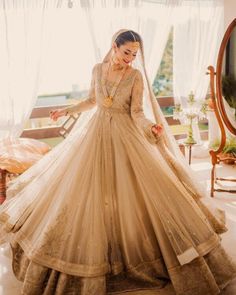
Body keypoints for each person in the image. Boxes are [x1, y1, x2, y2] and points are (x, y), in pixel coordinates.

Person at [0, 29, 236, 295]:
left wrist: (151, 128)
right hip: (95, 133)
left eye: (135, 54)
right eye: (126, 52)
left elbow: (136, 112)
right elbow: (92, 100)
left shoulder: (135, 77)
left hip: (126, 136)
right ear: (114, 46)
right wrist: (66, 110)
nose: (130, 58)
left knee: (132, 193)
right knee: (87, 193)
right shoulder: (97, 70)